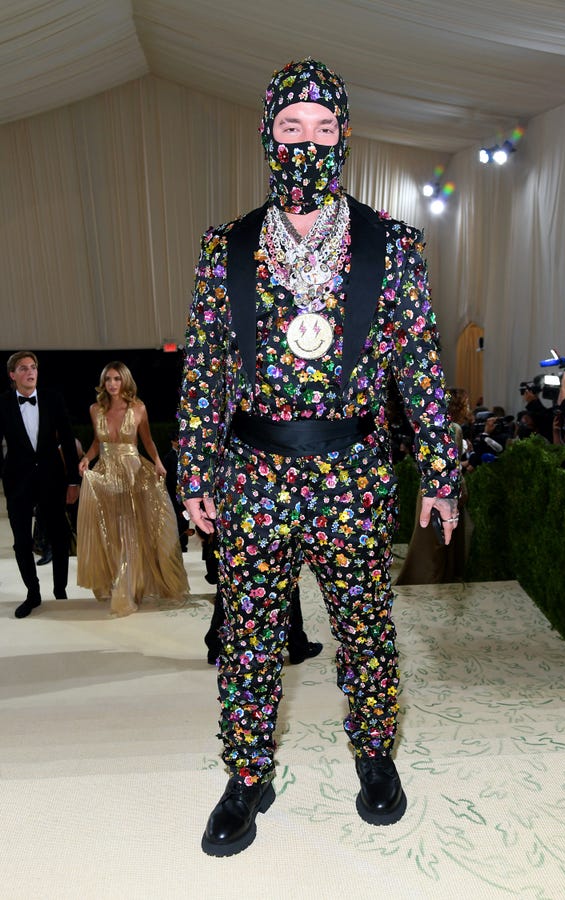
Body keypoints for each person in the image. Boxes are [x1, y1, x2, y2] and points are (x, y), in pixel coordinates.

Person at [178, 58, 460, 857]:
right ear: (267, 135)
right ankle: (246, 775)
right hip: (254, 474)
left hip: (354, 474)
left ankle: (374, 757)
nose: (307, 141)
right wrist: (194, 471)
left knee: (366, 630)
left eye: (324, 127)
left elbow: (419, 365)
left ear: (345, 137)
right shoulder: (226, 247)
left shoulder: (391, 245)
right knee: (249, 637)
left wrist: (441, 471)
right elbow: (205, 368)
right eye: (291, 126)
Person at [77, 361, 189, 616]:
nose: (112, 384)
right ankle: (125, 584)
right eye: (108, 379)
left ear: (125, 381)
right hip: (106, 475)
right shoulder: (95, 409)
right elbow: (97, 443)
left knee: (130, 533)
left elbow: (147, 441)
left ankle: (125, 591)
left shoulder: (138, 408)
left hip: (133, 474)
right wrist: (86, 459)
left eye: (117, 378)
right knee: (112, 533)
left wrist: (158, 462)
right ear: (103, 383)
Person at [0, 351, 80, 618]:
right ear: (12, 375)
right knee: (22, 542)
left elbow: (68, 440)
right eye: (23, 368)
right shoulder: (3, 403)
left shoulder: (52, 398)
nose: (30, 372)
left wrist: (73, 481)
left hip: (52, 479)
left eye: (33, 367)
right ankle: (32, 593)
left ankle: (60, 591)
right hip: (17, 482)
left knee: (60, 537)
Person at [396, 388, 469, 585]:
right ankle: (437, 580)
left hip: (427, 490)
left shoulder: (428, 427)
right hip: (445, 492)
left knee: (427, 540)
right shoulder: (454, 429)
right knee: (440, 542)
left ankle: (424, 579)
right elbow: (453, 467)